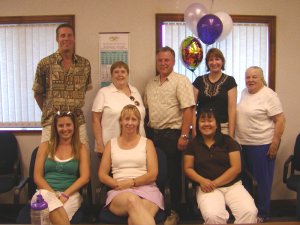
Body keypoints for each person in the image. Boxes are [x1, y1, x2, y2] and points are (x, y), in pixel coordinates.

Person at [144, 46, 195, 224]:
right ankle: (157, 208)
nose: (163, 63)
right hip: (153, 135)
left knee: (173, 174)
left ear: (173, 62)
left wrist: (184, 136)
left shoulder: (181, 81)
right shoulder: (150, 83)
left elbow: (188, 109)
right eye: (160, 60)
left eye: (167, 60)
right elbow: (146, 109)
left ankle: (174, 210)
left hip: (173, 135)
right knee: (154, 175)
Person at [184, 107, 257, 224]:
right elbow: (188, 168)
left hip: (232, 186)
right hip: (206, 187)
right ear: (198, 124)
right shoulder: (193, 144)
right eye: (202, 121)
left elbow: (236, 168)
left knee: (249, 212)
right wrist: (202, 181)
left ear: (217, 124)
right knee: (213, 216)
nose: (206, 124)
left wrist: (214, 183)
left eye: (210, 120)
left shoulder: (228, 141)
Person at [98, 104, 164, 225]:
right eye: (126, 119)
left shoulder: (147, 143)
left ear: (139, 122)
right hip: (120, 192)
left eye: (134, 119)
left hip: (148, 190)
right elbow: (102, 175)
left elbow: (153, 174)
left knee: (134, 219)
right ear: (121, 121)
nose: (130, 122)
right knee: (132, 200)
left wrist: (132, 182)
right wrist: (118, 184)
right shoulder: (110, 144)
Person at [235, 66, 285, 222]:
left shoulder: (269, 95)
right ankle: (249, 212)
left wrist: (275, 142)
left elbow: (280, 120)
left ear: (262, 78)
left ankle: (263, 214)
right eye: (248, 77)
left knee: (263, 182)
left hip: (262, 145)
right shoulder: (244, 93)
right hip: (243, 144)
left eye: (254, 77)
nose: (250, 80)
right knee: (245, 182)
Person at [32, 23, 92, 146]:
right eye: (62, 35)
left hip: (77, 121)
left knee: (82, 156)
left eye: (69, 35)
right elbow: (38, 94)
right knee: (48, 159)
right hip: (52, 122)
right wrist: (50, 110)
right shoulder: (45, 64)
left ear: (74, 38)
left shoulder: (84, 64)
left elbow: (82, 91)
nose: (66, 38)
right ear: (57, 39)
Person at [32, 111, 90, 225]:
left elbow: (85, 177)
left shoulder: (81, 148)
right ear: (55, 127)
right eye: (61, 125)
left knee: (50, 219)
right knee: (48, 212)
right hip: (45, 192)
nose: (65, 129)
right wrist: (53, 195)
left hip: (70, 195)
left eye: (68, 125)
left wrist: (65, 194)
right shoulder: (45, 146)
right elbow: (37, 177)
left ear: (74, 126)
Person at [92, 61, 145, 156]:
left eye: (123, 71)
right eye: (116, 72)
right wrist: (99, 144)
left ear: (127, 74)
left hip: (137, 146)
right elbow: (95, 120)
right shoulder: (104, 92)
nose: (120, 74)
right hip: (110, 147)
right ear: (111, 75)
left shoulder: (135, 91)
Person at [193, 48, 237, 138]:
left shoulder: (230, 81)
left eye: (217, 59)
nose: (214, 63)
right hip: (202, 127)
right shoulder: (199, 81)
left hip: (223, 128)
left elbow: (232, 110)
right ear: (207, 63)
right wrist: (194, 131)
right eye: (211, 60)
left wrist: (231, 135)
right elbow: (192, 109)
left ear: (222, 61)